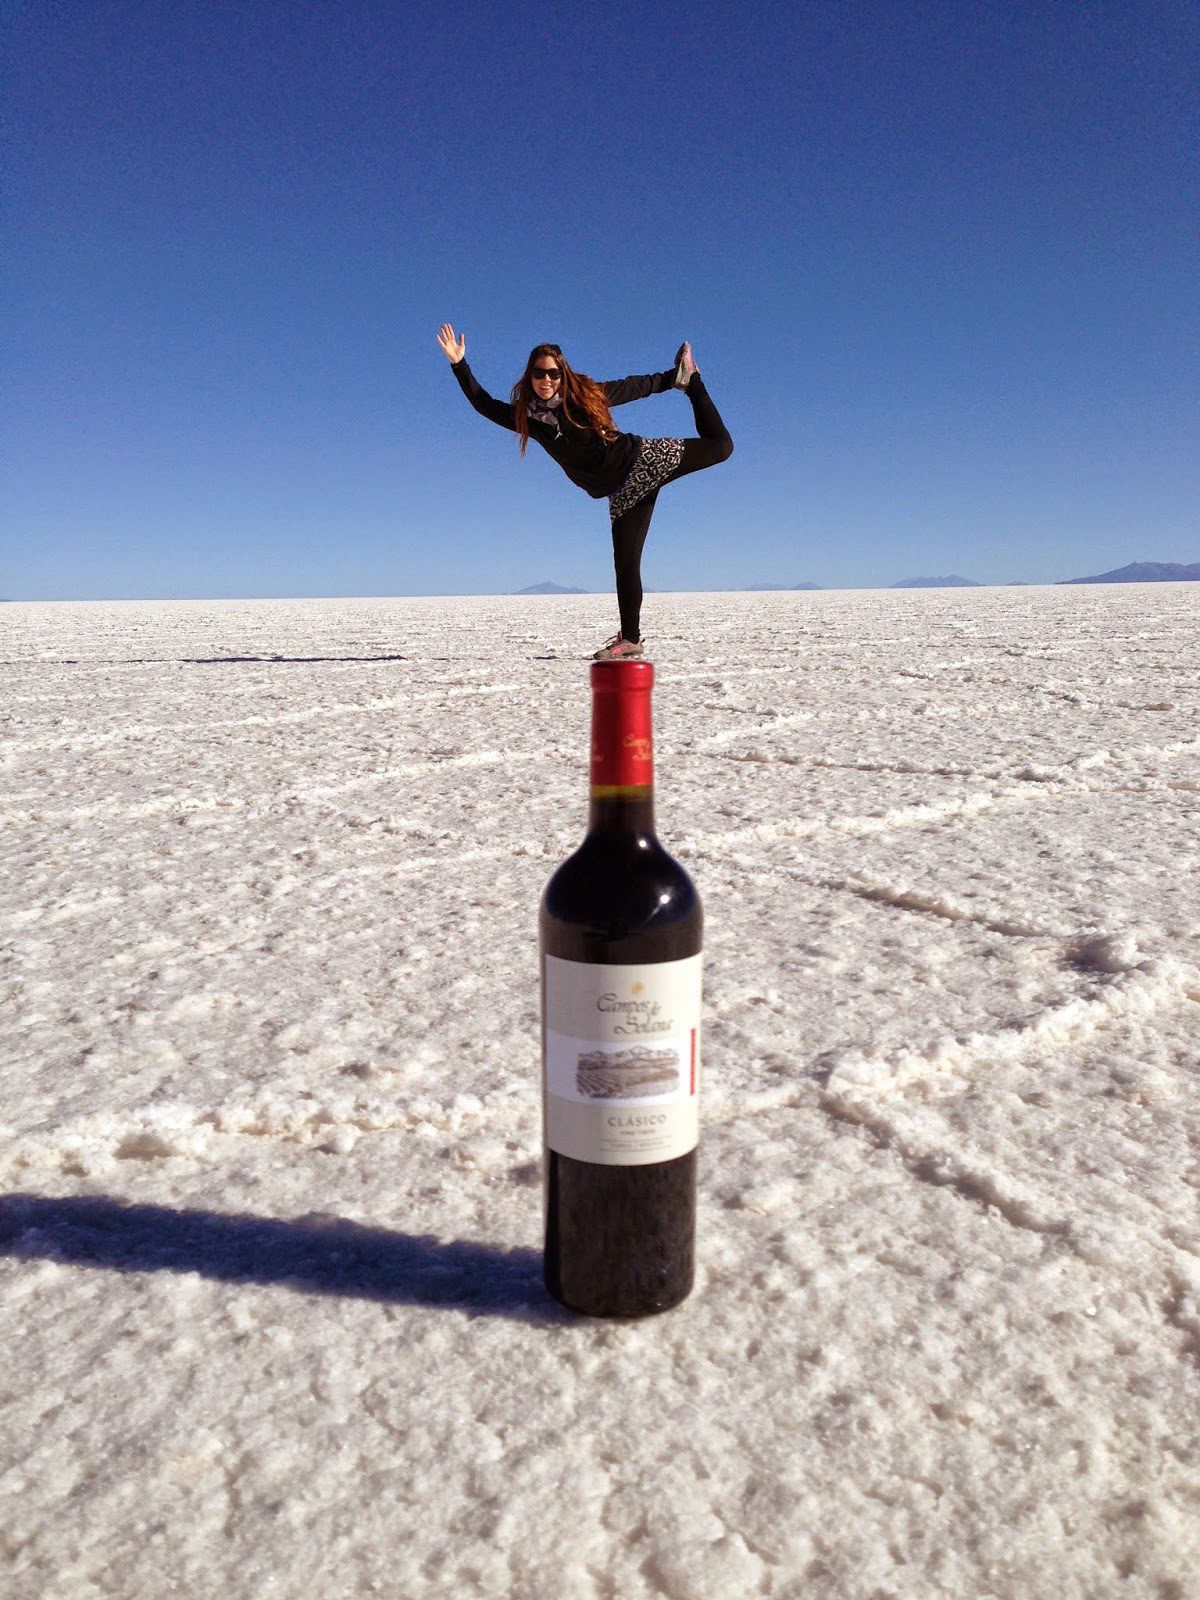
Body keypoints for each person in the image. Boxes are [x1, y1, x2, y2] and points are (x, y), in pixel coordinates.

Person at [436, 324, 733, 658]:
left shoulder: (583, 398)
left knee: (721, 447)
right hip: (620, 493)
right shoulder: (530, 420)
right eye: (539, 373)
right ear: (530, 376)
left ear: (563, 374)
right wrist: (459, 365)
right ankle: (631, 639)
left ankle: (691, 381)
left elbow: (633, 387)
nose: (546, 379)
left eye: (553, 373)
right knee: (626, 563)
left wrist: (670, 378)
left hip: (642, 461)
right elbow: (483, 404)